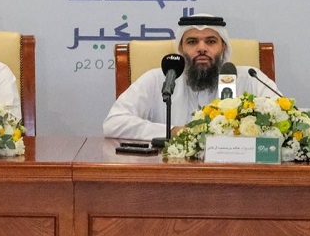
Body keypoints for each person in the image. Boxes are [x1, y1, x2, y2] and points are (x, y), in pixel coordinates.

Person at [103, 13, 281, 141]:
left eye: (211, 41)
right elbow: (114, 123)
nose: (202, 48)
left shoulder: (250, 78)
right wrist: (172, 131)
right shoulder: (158, 79)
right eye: (192, 42)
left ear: (224, 47)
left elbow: (284, 118)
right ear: (180, 49)